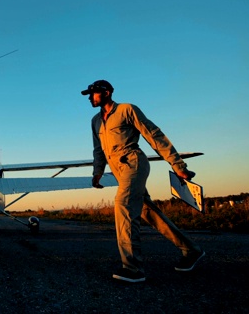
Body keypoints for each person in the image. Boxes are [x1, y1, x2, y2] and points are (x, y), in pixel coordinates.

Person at [81, 79, 205, 283]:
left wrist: (178, 165)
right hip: (118, 171)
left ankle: (133, 268)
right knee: (148, 212)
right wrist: (97, 172)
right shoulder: (95, 121)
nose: (90, 98)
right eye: (89, 94)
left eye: (94, 93)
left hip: (134, 163)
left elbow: (154, 135)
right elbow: (98, 150)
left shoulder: (127, 109)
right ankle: (191, 250)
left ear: (108, 92)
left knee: (123, 204)